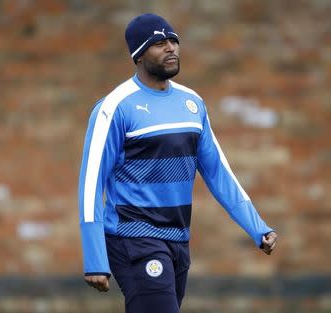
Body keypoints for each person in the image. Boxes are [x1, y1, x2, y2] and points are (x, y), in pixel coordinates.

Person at [78, 13, 278, 313]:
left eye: (173, 40)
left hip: (179, 241)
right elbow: (90, 184)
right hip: (134, 239)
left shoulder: (193, 103)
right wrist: (95, 258)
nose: (170, 47)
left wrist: (256, 226)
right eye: (158, 43)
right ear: (139, 55)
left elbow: (217, 170)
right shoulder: (115, 107)